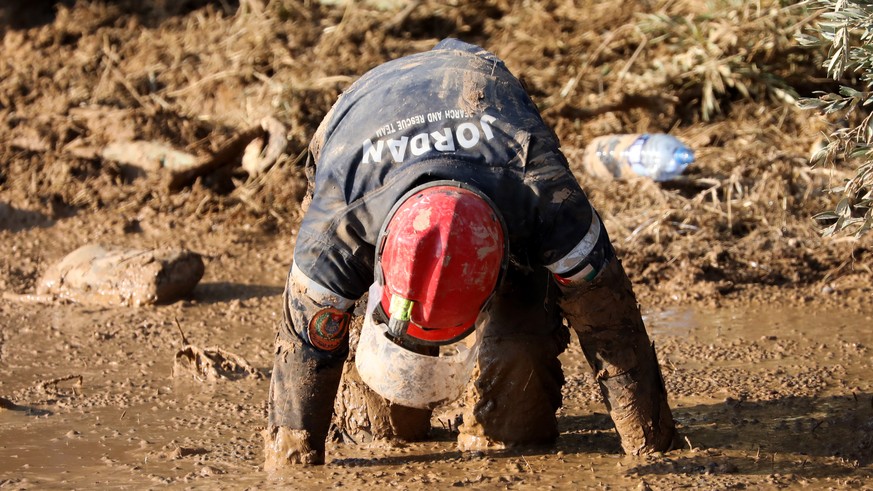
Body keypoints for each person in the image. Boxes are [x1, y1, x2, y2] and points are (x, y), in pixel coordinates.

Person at [263, 39, 676, 469]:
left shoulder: (547, 195)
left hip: (478, 91)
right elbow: (304, 353)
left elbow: (611, 324)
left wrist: (652, 448)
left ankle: (510, 330)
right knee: (377, 429)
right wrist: (292, 466)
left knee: (517, 407)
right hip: (366, 108)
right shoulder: (337, 225)